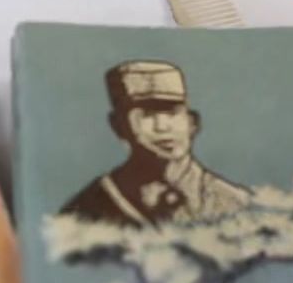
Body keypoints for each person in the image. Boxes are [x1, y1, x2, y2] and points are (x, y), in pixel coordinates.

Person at [60, 61, 251, 227]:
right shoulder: (89, 209)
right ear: (118, 125)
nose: (162, 127)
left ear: (193, 123)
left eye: (173, 112)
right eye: (147, 114)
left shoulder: (238, 205)